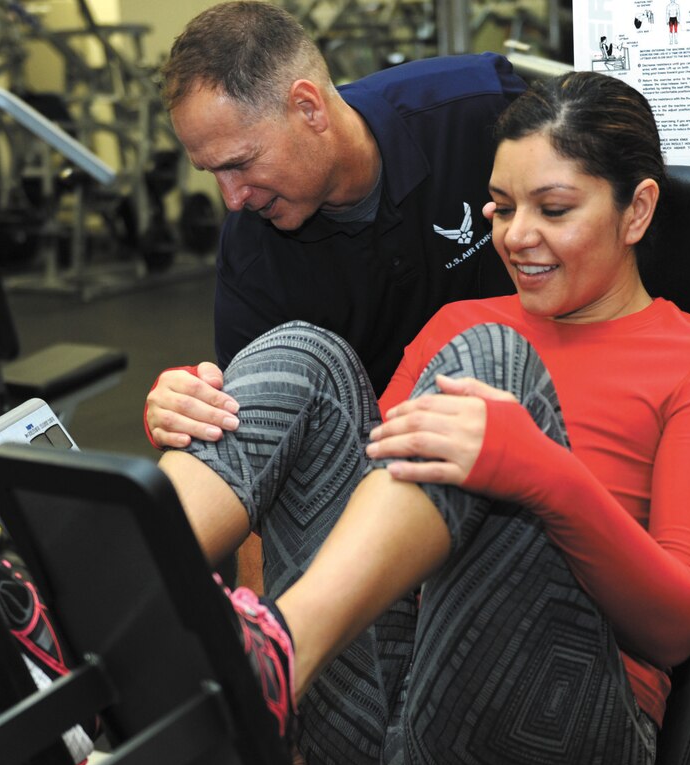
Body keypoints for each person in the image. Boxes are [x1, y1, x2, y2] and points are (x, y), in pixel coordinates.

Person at [153, 71, 690, 765]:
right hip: (374, 738)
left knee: (489, 365)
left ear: (636, 209)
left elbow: (677, 628)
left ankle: (274, 652)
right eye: (501, 209)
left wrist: (538, 472)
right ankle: (89, 634)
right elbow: (364, 515)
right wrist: (195, 411)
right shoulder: (457, 318)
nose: (515, 237)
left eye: (553, 210)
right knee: (298, 353)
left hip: (551, 751)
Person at [142, 1, 524, 450]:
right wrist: (183, 408)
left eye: (241, 164)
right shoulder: (250, 249)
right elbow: (252, 432)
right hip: (382, 462)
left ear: (308, 108)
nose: (232, 199)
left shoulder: (480, 109)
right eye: (212, 173)